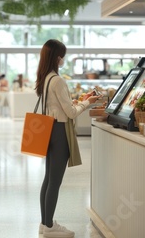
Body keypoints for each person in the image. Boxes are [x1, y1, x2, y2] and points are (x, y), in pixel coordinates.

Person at [35, 39, 100, 238]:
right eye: (62, 55)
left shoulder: (45, 78)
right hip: (60, 131)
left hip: (48, 128)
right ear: (57, 57)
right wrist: (87, 103)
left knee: (48, 179)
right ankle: (48, 227)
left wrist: (77, 101)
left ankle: (45, 223)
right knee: (55, 181)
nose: (63, 58)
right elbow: (71, 114)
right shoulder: (58, 80)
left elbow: (58, 106)